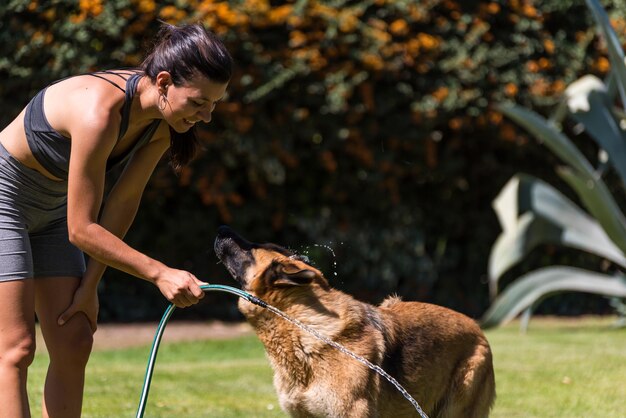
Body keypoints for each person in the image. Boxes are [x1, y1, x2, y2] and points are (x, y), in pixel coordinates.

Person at [0, 22, 232, 417]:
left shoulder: (161, 126)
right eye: (198, 102)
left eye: (213, 104)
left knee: (74, 337)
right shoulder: (98, 112)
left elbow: (121, 205)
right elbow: (82, 228)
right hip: (6, 201)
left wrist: (90, 285)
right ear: (163, 82)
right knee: (17, 348)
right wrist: (159, 272)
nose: (206, 116)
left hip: (55, 212)